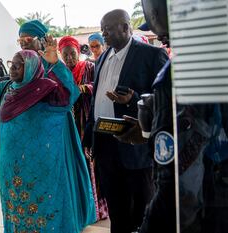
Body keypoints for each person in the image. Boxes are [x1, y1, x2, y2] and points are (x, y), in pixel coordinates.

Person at [0, 37, 96, 232]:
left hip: (40, 167)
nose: (12, 69)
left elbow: (71, 94)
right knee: (15, 205)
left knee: (41, 206)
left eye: (18, 65)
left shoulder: (47, 90)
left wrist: (55, 63)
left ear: (31, 67)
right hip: (11, 165)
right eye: (11, 64)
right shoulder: (8, 88)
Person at [117, 1, 228, 232]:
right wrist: (154, 130)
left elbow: (178, 188)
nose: (162, 39)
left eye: (165, 36)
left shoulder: (185, 71)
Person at [82, 9, 168, 233]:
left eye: (108, 29)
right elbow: (95, 100)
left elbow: (165, 99)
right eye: (102, 30)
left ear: (125, 27)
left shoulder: (151, 55)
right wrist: (89, 135)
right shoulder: (102, 59)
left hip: (134, 145)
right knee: (117, 208)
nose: (104, 34)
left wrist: (134, 99)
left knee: (141, 208)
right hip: (104, 143)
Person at [59, 36, 109, 222]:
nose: (70, 58)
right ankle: (80, 206)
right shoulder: (60, 71)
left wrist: (84, 88)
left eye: (73, 53)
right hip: (69, 123)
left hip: (87, 120)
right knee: (74, 163)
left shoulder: (89, 67)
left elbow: (101, 86)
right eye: (66, 55)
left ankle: (96, 209)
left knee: (91, 163)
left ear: (78, 52)